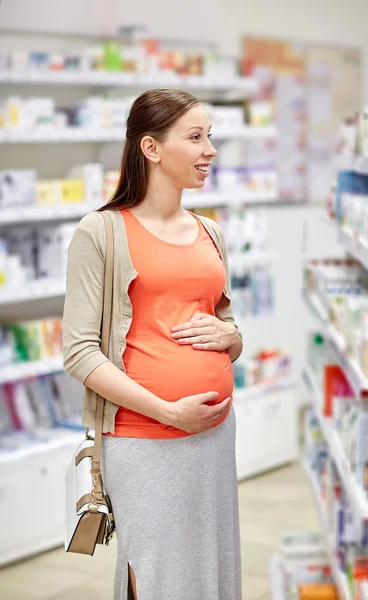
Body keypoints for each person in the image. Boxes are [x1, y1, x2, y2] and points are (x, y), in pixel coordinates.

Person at [63, 88, 243, 600]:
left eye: (210, 136)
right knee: (158, 571)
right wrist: (168, 411)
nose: (209, 150)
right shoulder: (100, 233)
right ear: (151, 148)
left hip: (212, 434)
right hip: (144, 438)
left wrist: (232, 339)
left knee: (210, 567)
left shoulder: (211, 231)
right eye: (195, 137)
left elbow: (226, 323)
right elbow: (79, 352)